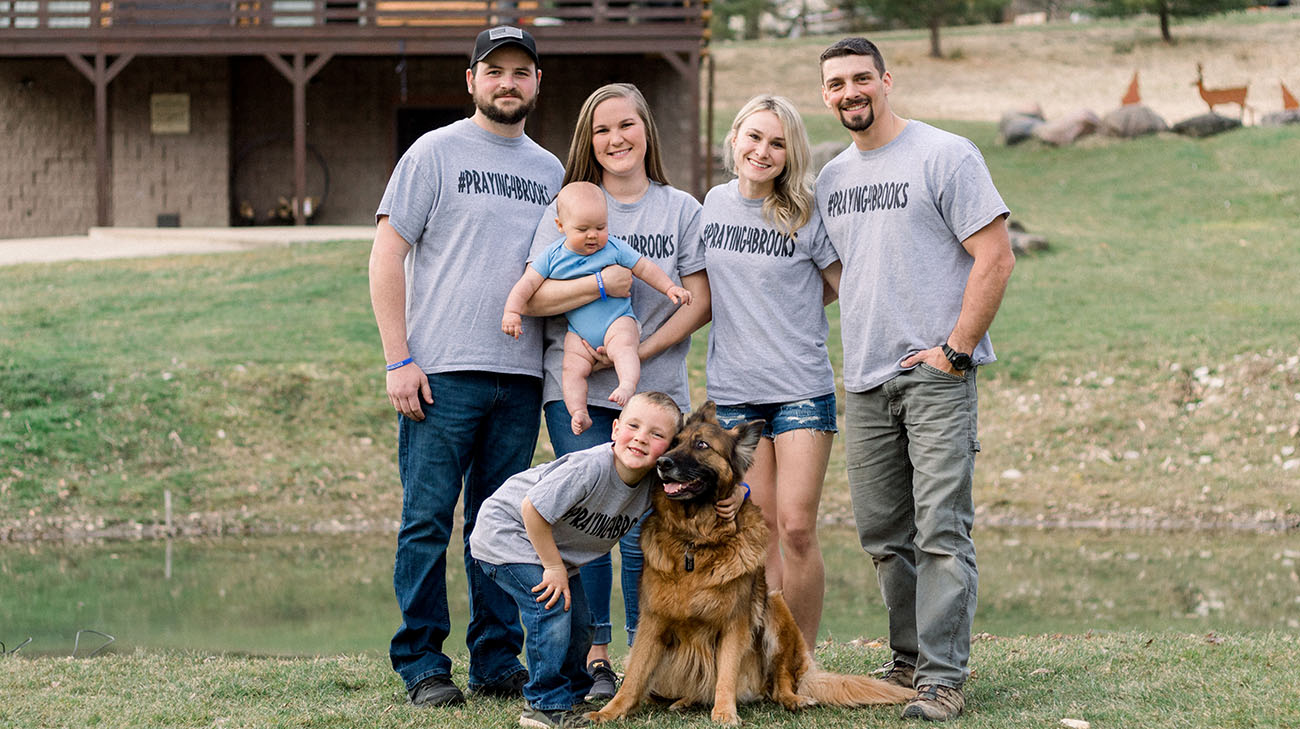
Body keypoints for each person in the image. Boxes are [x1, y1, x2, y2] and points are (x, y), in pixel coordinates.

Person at [815, 37, 1016, 722]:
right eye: (836, 83)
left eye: (861, 79)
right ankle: (907, 659)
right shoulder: (831, 179)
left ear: (887, 80)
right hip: (866, 382)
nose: (850, 92)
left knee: (940, 530)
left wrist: (955, 351)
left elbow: (995, 256)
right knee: (883, 536)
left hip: (935, 376)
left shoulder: (946, 154)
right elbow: (842, 275)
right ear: (826, 95)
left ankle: (943, 677)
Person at [367, 25, 564, 708]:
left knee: (498, 521)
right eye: (495, 71)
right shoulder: (435, 152)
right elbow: (387, 252)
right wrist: (399, 358)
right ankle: (422, 661)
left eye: (521, 72)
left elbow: (563, 271)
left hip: (520, 376)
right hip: (440, 374)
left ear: (537, 83)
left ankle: (495, 659)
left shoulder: (552, 173)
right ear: (472, 80)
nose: (508, 83)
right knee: (426, 519)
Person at [518, 83, 722, 700]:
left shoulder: (680, 208)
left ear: (646, 131)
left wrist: (645, 348)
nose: (616, 139)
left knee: (648, 532)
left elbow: (700, 298)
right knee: (587, 524)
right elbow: (535, 295)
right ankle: (595, 659)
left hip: (656, 395)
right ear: (590, 139)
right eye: (602, 129)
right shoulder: (572, 205)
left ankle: (646, 653)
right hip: (574, 387)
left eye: (627, 125)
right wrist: (598, 286)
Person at [700, 94, 843, 649]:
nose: (763, 151)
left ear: (791, 154)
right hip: (736, 395)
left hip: (802, 389)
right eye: (754, 137)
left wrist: (793, 315)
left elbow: (839, 284)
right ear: (733, 138)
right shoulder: (709, 206)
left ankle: (802, 661)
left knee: (797, 527)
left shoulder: (804, 212)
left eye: (777, 143)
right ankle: (769, 654)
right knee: (756, 534)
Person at [469, 391, 683, 729]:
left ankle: (571, 695)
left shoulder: (652, 485)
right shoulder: (590, 467)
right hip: (508, 533)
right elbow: (533, 509)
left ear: (670, 449)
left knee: (583, 623)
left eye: (657, 435)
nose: (641, 438)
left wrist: (736, 494)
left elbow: (702, 484)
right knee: (550, 605)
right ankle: (543, 705)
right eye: (633, 426)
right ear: (615, 429)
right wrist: (554, 568)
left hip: (551, 549)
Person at [502, 181, 693, 436]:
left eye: (600, 227)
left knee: (625, 347)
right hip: (579, 332)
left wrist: (670, 288)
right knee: (570, 369)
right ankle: (578, 411)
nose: (593, 235)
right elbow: (526, 286)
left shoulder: (613, 247)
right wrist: (512, 312)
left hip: (617, 320)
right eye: (583, 229)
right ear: (560, 226)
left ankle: (626, 384)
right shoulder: (552, 255)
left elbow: (644, 268)